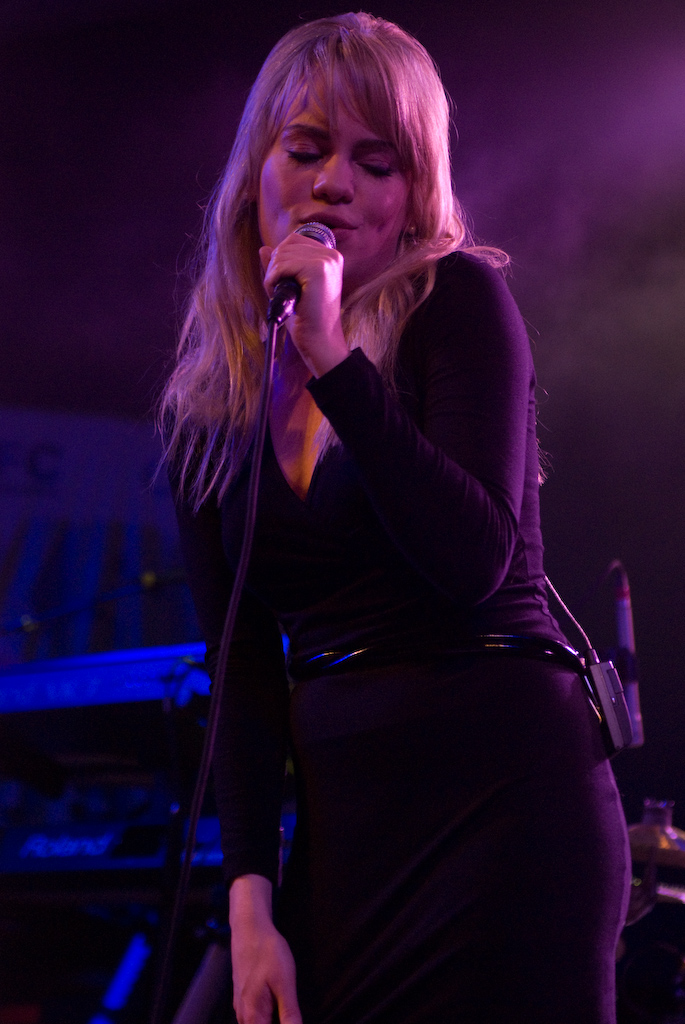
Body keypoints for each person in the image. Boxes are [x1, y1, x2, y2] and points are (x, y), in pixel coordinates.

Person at [161, 13, 630, 1023]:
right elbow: (242, 675)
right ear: (255, 175)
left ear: (414, 196)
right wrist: (249, 903)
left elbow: (469, 557)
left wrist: (332, 359)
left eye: (376, 163)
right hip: (348, 833)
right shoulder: (209, 407)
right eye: (307, 149)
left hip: (506, 805)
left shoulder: (455, 304)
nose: (336, 182)